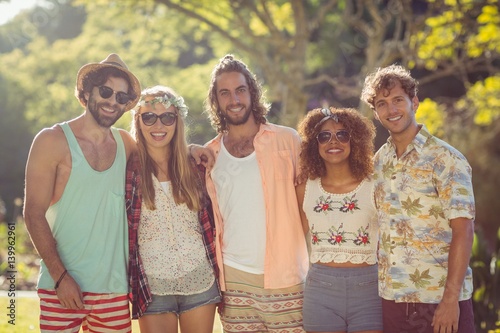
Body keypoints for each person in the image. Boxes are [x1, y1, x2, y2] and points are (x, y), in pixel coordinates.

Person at [23, 53, 141, 332]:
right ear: (87, 91)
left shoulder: (126, 143)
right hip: (61, 287)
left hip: (113, 289)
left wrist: (193, 151)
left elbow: (163, 161)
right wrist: (61, 277)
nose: (113, 101)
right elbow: (33, 213)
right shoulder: (51, 141)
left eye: (122, 97)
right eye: (106, 91)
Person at [360, 64, 476, 333]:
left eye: (398, 100)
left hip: (438, 300)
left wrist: (450, 299)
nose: (392, 110)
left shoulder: (446, 159)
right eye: (382, 104)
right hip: (392, 300)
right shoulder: (379, 162)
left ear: (414, 102)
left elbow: (464, 230)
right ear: (376, 113)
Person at [202, 54, 309, 332]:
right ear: (216, 100)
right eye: (224, 93)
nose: (234, 99)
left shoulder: (288, 141)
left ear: (252, 92)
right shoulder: (209, 153)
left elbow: (307, 208)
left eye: (240, 90)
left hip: (287, 275)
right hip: (233, 279)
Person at [126, 85, 221, 332]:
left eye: (167, 116)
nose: (159, 125)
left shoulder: (195, 166)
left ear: (177, 121)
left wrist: (190, 149)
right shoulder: (128, 168)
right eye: (149, 117)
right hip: (153, 287)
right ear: (138, 121)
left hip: (200, 280)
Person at [296, 107, 383, 333]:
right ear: (314, 144)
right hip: (320, 291)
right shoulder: (305, 188)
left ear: (355, 141)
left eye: (342, 134)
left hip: (369, 291)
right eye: (324, 136)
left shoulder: (375, 185)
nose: (333, 141)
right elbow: (293, 236)